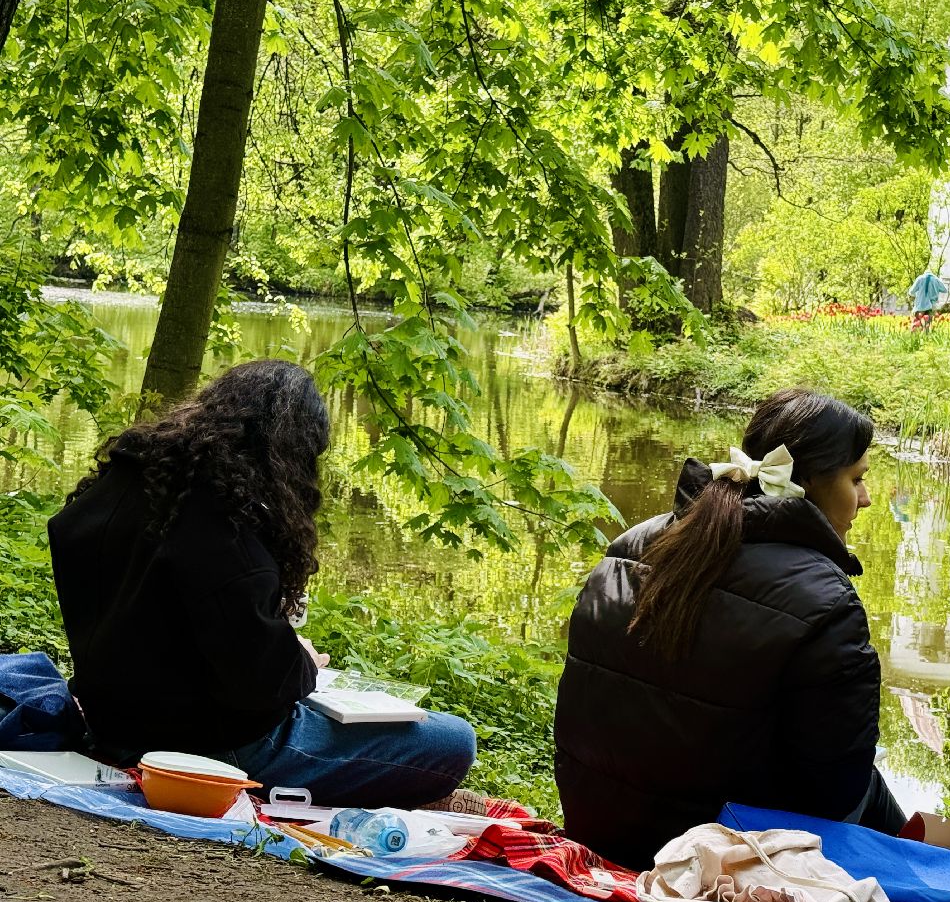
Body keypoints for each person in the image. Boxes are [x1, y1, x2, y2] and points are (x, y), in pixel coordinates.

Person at [48, 359, 477, 809]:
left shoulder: (130, 486)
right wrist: (303, 663)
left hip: (107, 721)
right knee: (453, 740)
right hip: (207, 747)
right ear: (287, 452)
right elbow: (259, 687)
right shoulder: (220, 530)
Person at [554, 388, 905, 871]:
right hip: (710, 857)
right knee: (865, 782)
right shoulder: (826, 599)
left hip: (600, 826)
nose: (865, 499)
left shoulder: (636, 542)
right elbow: (835, 789)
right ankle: (934, 878)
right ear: (806, 481)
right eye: (856, 479)